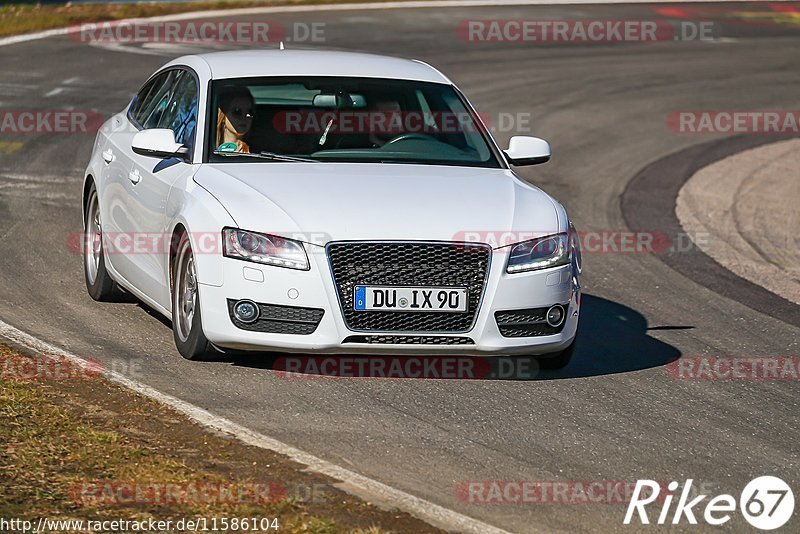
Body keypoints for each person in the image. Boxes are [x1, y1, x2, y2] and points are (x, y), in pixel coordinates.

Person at [216, 86, 255, 153]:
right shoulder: (204, 148)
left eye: (250, 113)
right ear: (223, 117)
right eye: (237, 112)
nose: (244, 117)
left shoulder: (259, 154)